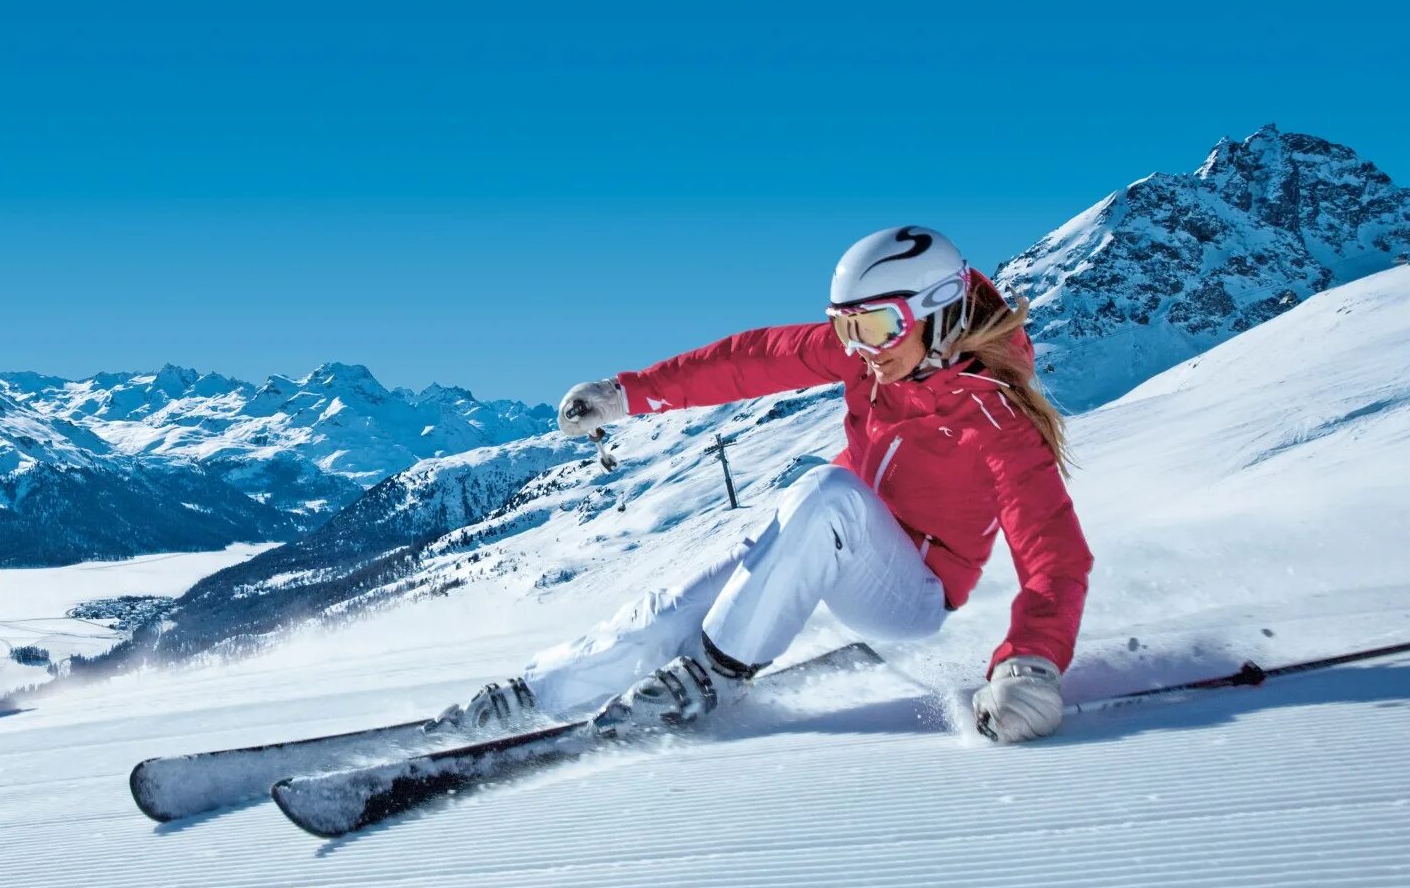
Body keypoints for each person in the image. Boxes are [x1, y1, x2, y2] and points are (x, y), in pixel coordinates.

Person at [440, 226, 1092, 744]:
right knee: (675, 608)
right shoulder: (879, 362)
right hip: (833, 545)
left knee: (826, 492)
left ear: (937, 312)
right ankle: (537, 692)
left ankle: (712, 676)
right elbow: (753, 359)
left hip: (909, 594)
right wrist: (629, 394)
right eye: (846, 328)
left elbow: (1056, 558)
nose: (861, 348)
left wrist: (1029, 663)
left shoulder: (993, 416)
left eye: (876, 327)